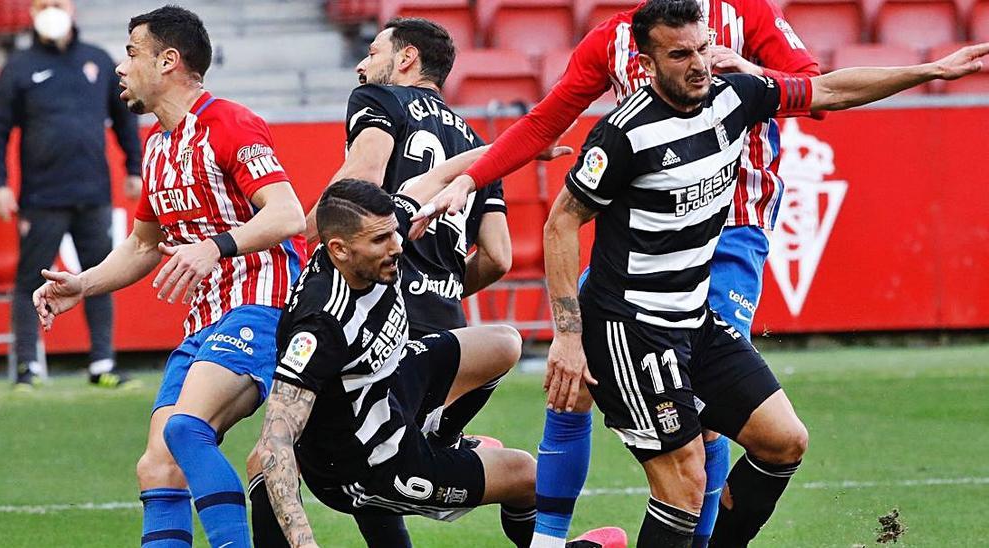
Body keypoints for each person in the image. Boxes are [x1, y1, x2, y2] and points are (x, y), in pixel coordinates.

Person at [416, 1, 989, 545]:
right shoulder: (623, 135)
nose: (699, 66)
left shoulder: (737, 93)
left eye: (703, 49)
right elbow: (560, 224)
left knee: (784, 441)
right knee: (682, 478)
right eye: (680, 56)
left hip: (694, 317)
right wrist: (568, 336)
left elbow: (829, 89)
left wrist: (933, 70)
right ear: (645, 64)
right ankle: (549, 538)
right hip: (632, 329)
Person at [31, 6, 307, 547]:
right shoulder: (157, 147)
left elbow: (287, 214)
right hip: (204, 321)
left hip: (261, 304)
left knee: (185, 430)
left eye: (132, 53)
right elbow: (142, 244)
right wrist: (82, 284)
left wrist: (214, 246)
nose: (120, 66)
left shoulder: (228, 122)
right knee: (157, 467)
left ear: (169, 61)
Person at [251, 18, 517, 547]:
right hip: (444, 323)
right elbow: (500, 256)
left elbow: (360, 179)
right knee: (385, 444)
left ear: (406, 59)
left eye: (372, 51)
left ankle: (434, 450)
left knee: (288, 454)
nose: (361, 64)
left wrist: (311, 237)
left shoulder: (380, 99)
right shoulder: (475, 141)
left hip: (372, 308)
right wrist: (441, 288)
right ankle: (445, 438)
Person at [254, 178, 539, 548]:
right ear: (339, 250)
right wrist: (303, 542)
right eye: (381, 241)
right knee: (527, 476)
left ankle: (442, 440)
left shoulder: (372, 237)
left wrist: (504, 154)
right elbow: (274, 442)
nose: (397, 246)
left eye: (393, 233)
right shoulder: (321, 326)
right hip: (368, 466)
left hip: (388, 390)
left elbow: (434, 179)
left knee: (503, 343)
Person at [0, 0, 143, 389]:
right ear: (31, 13)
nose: (51, 10)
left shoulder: (98, 61)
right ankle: (27, 367)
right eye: (43, 4)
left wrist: (134, 168)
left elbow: (125, 117)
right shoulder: (18, 66)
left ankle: (102, 363)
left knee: (100, 276)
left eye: (57, 2)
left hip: (93, 193)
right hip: (42, 197)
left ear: (71, 9)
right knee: (29, 280)